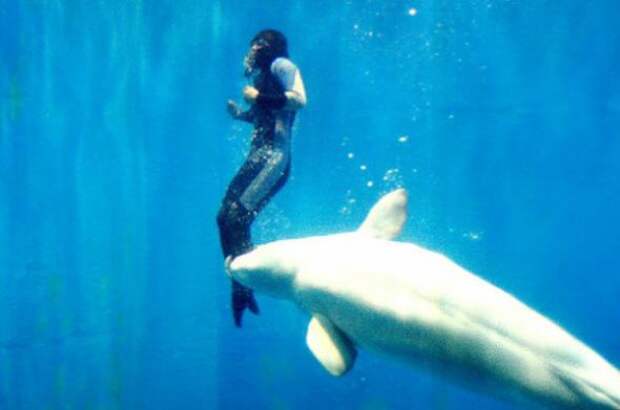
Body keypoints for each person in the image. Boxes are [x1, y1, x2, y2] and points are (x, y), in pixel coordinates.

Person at [218, 29, 307, 327]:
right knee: (224, 217)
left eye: (257, 45)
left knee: (235, 217)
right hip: (260, 156)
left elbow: (299, 100)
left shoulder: (282, 66)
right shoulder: (262, 78)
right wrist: (241, 114)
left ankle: (244, 285)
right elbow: (263, 116)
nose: (252, 51)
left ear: (267, 46)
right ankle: (240, 284)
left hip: (274, 158)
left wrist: (259, 97)